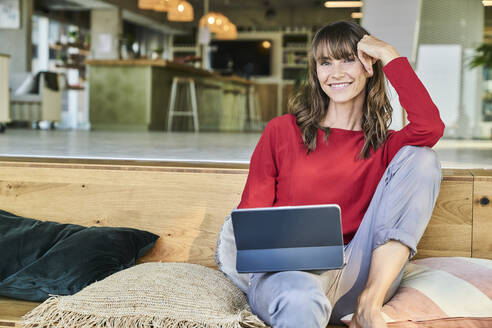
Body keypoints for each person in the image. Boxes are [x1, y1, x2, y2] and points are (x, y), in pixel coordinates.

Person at [218, 20, 445, 328]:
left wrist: (390, 54)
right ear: (316, 71)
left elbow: (429, 127)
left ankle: (369, 306)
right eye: (326, 62)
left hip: (358, 278)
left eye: (348, 59)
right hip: (289, 277)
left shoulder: (386, 145)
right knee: (300, 299)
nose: (336, 73)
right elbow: (253, 214)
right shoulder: (282, 131)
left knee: (423, 158)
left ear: (369, 66)